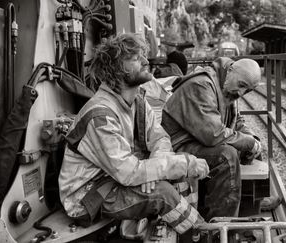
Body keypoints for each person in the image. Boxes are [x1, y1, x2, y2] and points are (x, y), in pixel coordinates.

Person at [58, 33, 209, 236]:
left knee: (179, 178)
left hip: (114, 179)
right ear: (117, 69)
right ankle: (205, 235)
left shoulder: (137, 101)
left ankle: (193, 232)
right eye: (137, 58)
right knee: (163, 194)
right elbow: (128, 172)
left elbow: (160, 138)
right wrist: (183, 163)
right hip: (89, 195)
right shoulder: (99, 115)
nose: (147, 61)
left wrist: (155, 167)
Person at [161, 57, 263, 221]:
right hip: (176, 145)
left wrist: (253, 139)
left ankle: (252, 201)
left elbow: (237, 122)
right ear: (230, 70)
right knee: (227, 156)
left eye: (247, 90)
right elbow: (213, 134)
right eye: (242, 85)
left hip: (195, 141)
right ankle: (220, 229)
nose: (241, 93)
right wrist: (249, 143)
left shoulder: (226, 86)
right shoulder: (201, 85)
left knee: (251, 145)